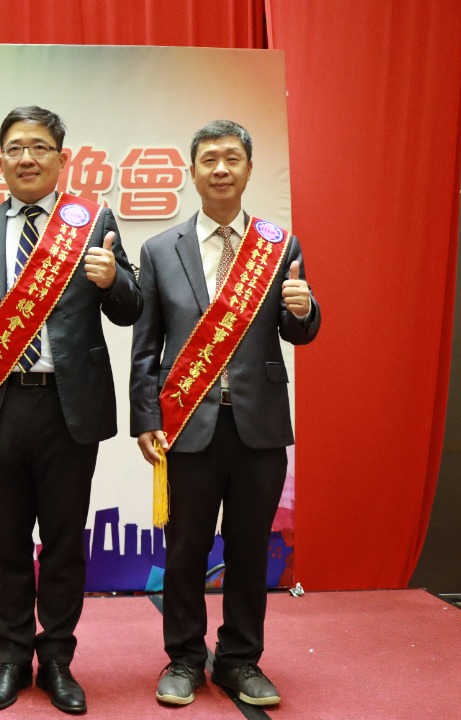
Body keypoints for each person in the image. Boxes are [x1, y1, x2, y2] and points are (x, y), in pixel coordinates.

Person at [0, 106, 143, 715]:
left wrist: (112, 280)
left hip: (68, 409)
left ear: (63, 157)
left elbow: (131, 311)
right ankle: (10, 658)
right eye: (13, 148)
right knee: (7, 542)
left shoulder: (91, 221)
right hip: (1, 408)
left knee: (62, 541)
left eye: (38, 147)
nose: (25, 157)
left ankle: (57, 658)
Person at [130, 119, 321, 707]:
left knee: (246, 547)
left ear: (248, 169)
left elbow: (299, 329)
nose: (220, 168)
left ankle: (240, 660)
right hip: (187, 421)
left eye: (231, 158)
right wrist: (146, 418)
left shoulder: (278, 244)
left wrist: (304, 308)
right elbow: (146, 344)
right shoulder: (161, 249)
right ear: (192, 171)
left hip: (258, 423)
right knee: (185, 549)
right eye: (208, 159)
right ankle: (184, 659)